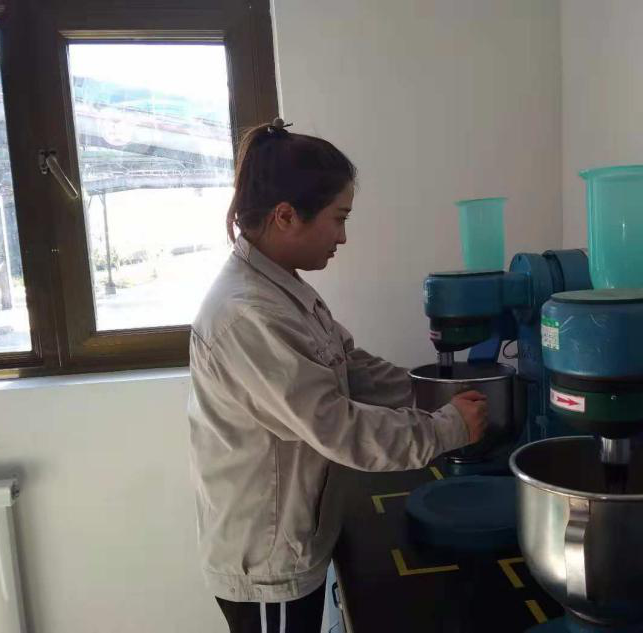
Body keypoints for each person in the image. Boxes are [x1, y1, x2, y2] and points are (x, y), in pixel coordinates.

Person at [187, 118, 488, 633]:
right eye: (338, 219)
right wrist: (448, 429)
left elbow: (350, 365)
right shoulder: (249, 314)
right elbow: (337, 427)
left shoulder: (281, 289)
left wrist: (436, 391)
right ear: (286, 216)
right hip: (269, 564)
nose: (343, 237)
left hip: (297, 533)